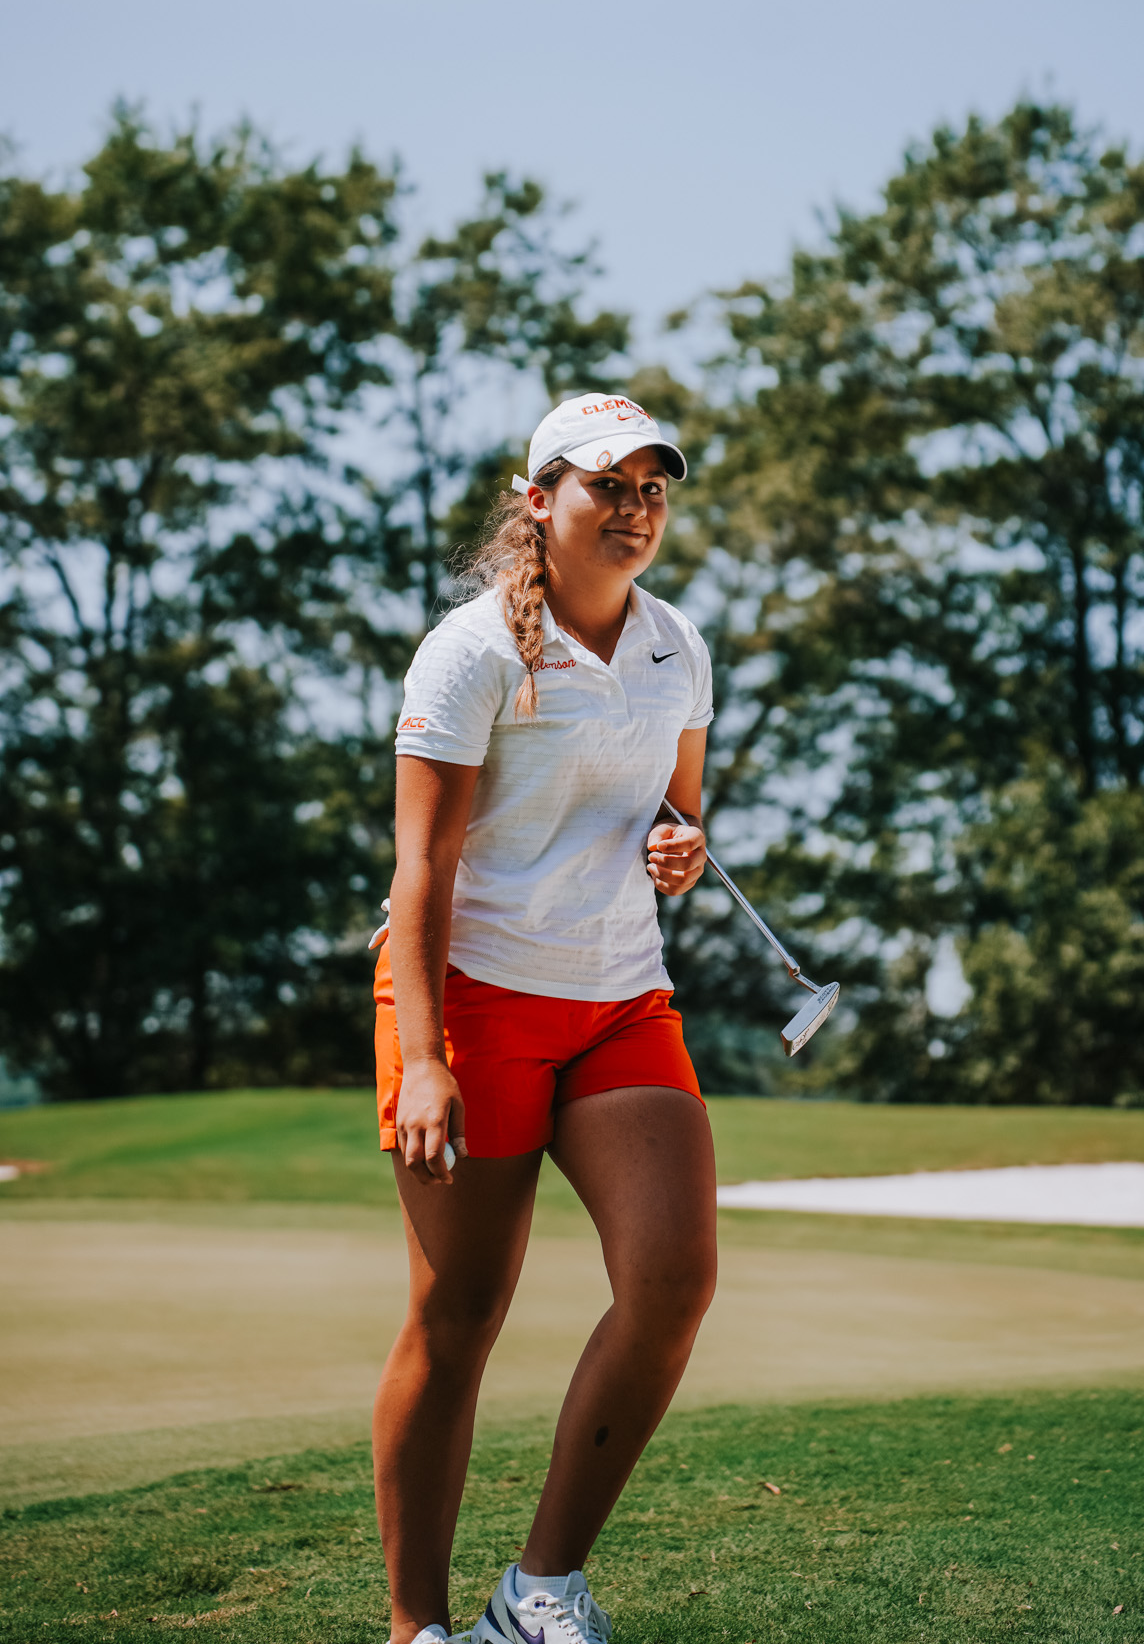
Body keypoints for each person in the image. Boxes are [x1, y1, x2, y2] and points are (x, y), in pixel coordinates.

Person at [370, 393, 716, 1644]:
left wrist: (681, 849)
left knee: (673, 1279)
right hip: (473, 994)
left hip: (619, 995)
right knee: (461, 1313)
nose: (634, 508)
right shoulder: (470, 651)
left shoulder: (677, 645)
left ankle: (539, 1590)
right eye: (606, 485)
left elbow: (677, 814)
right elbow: (422, 864)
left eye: (652, 488)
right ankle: (417, 1626)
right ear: (540, 499)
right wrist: (423, 1059)